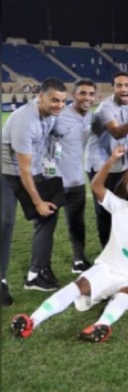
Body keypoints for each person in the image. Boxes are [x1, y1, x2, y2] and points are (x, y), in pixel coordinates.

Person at [10, 146, 128, 343]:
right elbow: (96, 185)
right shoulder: (121, 207)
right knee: (77, 286)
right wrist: (112, 160)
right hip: (107, 267)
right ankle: (32, 321)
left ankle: (102, 325)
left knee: (126, 292)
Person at [1, 78, 67, 304]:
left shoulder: (51, 115)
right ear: (41, 97)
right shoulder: (24, 121)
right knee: (5, 223)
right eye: (54, 100)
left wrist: (50, 170)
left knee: (49, 213)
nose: (59, 105)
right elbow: (23, 170)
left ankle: (36, 273)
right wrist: (37, 201)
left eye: (63, 101)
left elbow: (52, 142)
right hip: (7, 175)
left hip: (33, 171)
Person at [85, 72, 128, 246]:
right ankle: (107, 250)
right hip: (101, 163)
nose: (123, 89)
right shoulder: (105, 108)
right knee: (105, 209)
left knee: (123, 205)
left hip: (120, 162)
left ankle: (121, 246)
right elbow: (117, 133)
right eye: (119, 85)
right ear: (113, 89)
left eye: (127, 85)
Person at [51, 79, 97, 274]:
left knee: (77, 223)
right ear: (73, 95)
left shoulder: (92, 117)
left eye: (91, 94)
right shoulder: (59, 115)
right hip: (54, 180)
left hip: (77, 179)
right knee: (47, 226)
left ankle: (79, 260)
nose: (87, 98)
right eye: (82, 93)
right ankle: (41, 268)